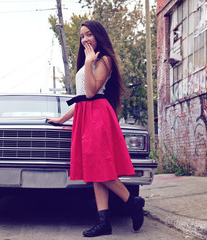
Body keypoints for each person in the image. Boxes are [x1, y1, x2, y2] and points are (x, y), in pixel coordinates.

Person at [47, 20, 145, 237]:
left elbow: (91, 93)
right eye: (82, 36)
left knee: (101, 168)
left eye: (89, 34)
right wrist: (62, 119)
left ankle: (132, 202)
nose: (85, 39)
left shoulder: (104, 60)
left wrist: (91, 62)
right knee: (95, 172)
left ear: (98, 36)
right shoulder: (87, 63)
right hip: (86, 115)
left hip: (97, 117)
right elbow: (82, 99)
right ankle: (104, 222)